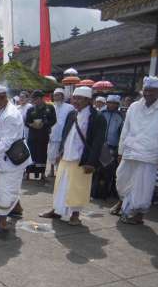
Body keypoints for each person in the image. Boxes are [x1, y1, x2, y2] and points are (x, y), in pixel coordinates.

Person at [112, 76, 158, 225]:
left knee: (143, 186)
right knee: (122, 180)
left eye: (152, 91)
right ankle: (126, 207)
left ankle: (136, 214)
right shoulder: (134, 106)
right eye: (146, 90)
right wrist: (121, 150)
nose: (148, 93)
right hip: (130, 150)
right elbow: (126, 129)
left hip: (150, 153)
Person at [39, 86, 107, 226]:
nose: (76, 101)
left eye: (79, 99)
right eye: (74, 98)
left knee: (77, 188)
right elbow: (66, 134)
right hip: (66, 157)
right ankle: (56, 211)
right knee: (60, 186)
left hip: (82, 159)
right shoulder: (72, 114)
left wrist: (91, 162)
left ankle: (75, 215)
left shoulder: (97, 117)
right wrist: (60, 152)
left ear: (88, 100)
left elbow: (98, 142)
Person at [0, 85, 32, 234]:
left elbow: (6, 143)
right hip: (4, 158)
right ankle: (17, 209)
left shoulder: (11, 115)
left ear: (2, 97)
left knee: (4, 190)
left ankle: (2, 223)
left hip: (13, 160)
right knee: (9, 187)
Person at [91, 94, 123, 199]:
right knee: (95, 170)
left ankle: (104, 192)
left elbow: (121, 134)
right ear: (107, 103)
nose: (112, 105)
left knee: (108, 172)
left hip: (111, 148)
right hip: (99, 146)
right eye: (110, 102)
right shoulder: (100, 113)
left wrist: (118, 149)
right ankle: (92, 190)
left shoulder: (121, 116)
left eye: (115, 103)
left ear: (118, 104)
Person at [25, 90, 57, 183]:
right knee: (31, 154)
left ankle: (42, 174)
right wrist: (31, 125)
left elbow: (54, 120)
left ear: (42, 98)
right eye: (34, 99)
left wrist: (44, 123)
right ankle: (28, 173)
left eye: (37, 98)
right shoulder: (31, 109)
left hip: (43, 134)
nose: (35, 101)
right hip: (32, 135)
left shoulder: (50, 107)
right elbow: (27, 121)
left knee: (42, 154)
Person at [47, 88, 75, 177]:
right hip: (52, 134)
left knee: (62, 153)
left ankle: (59, 171)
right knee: (51, 153)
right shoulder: (51, 107)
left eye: (59, 95)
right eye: (55, 95)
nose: (57, 97)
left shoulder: (69, 107)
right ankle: (51, 170)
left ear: (63, 96)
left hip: (64, 135)